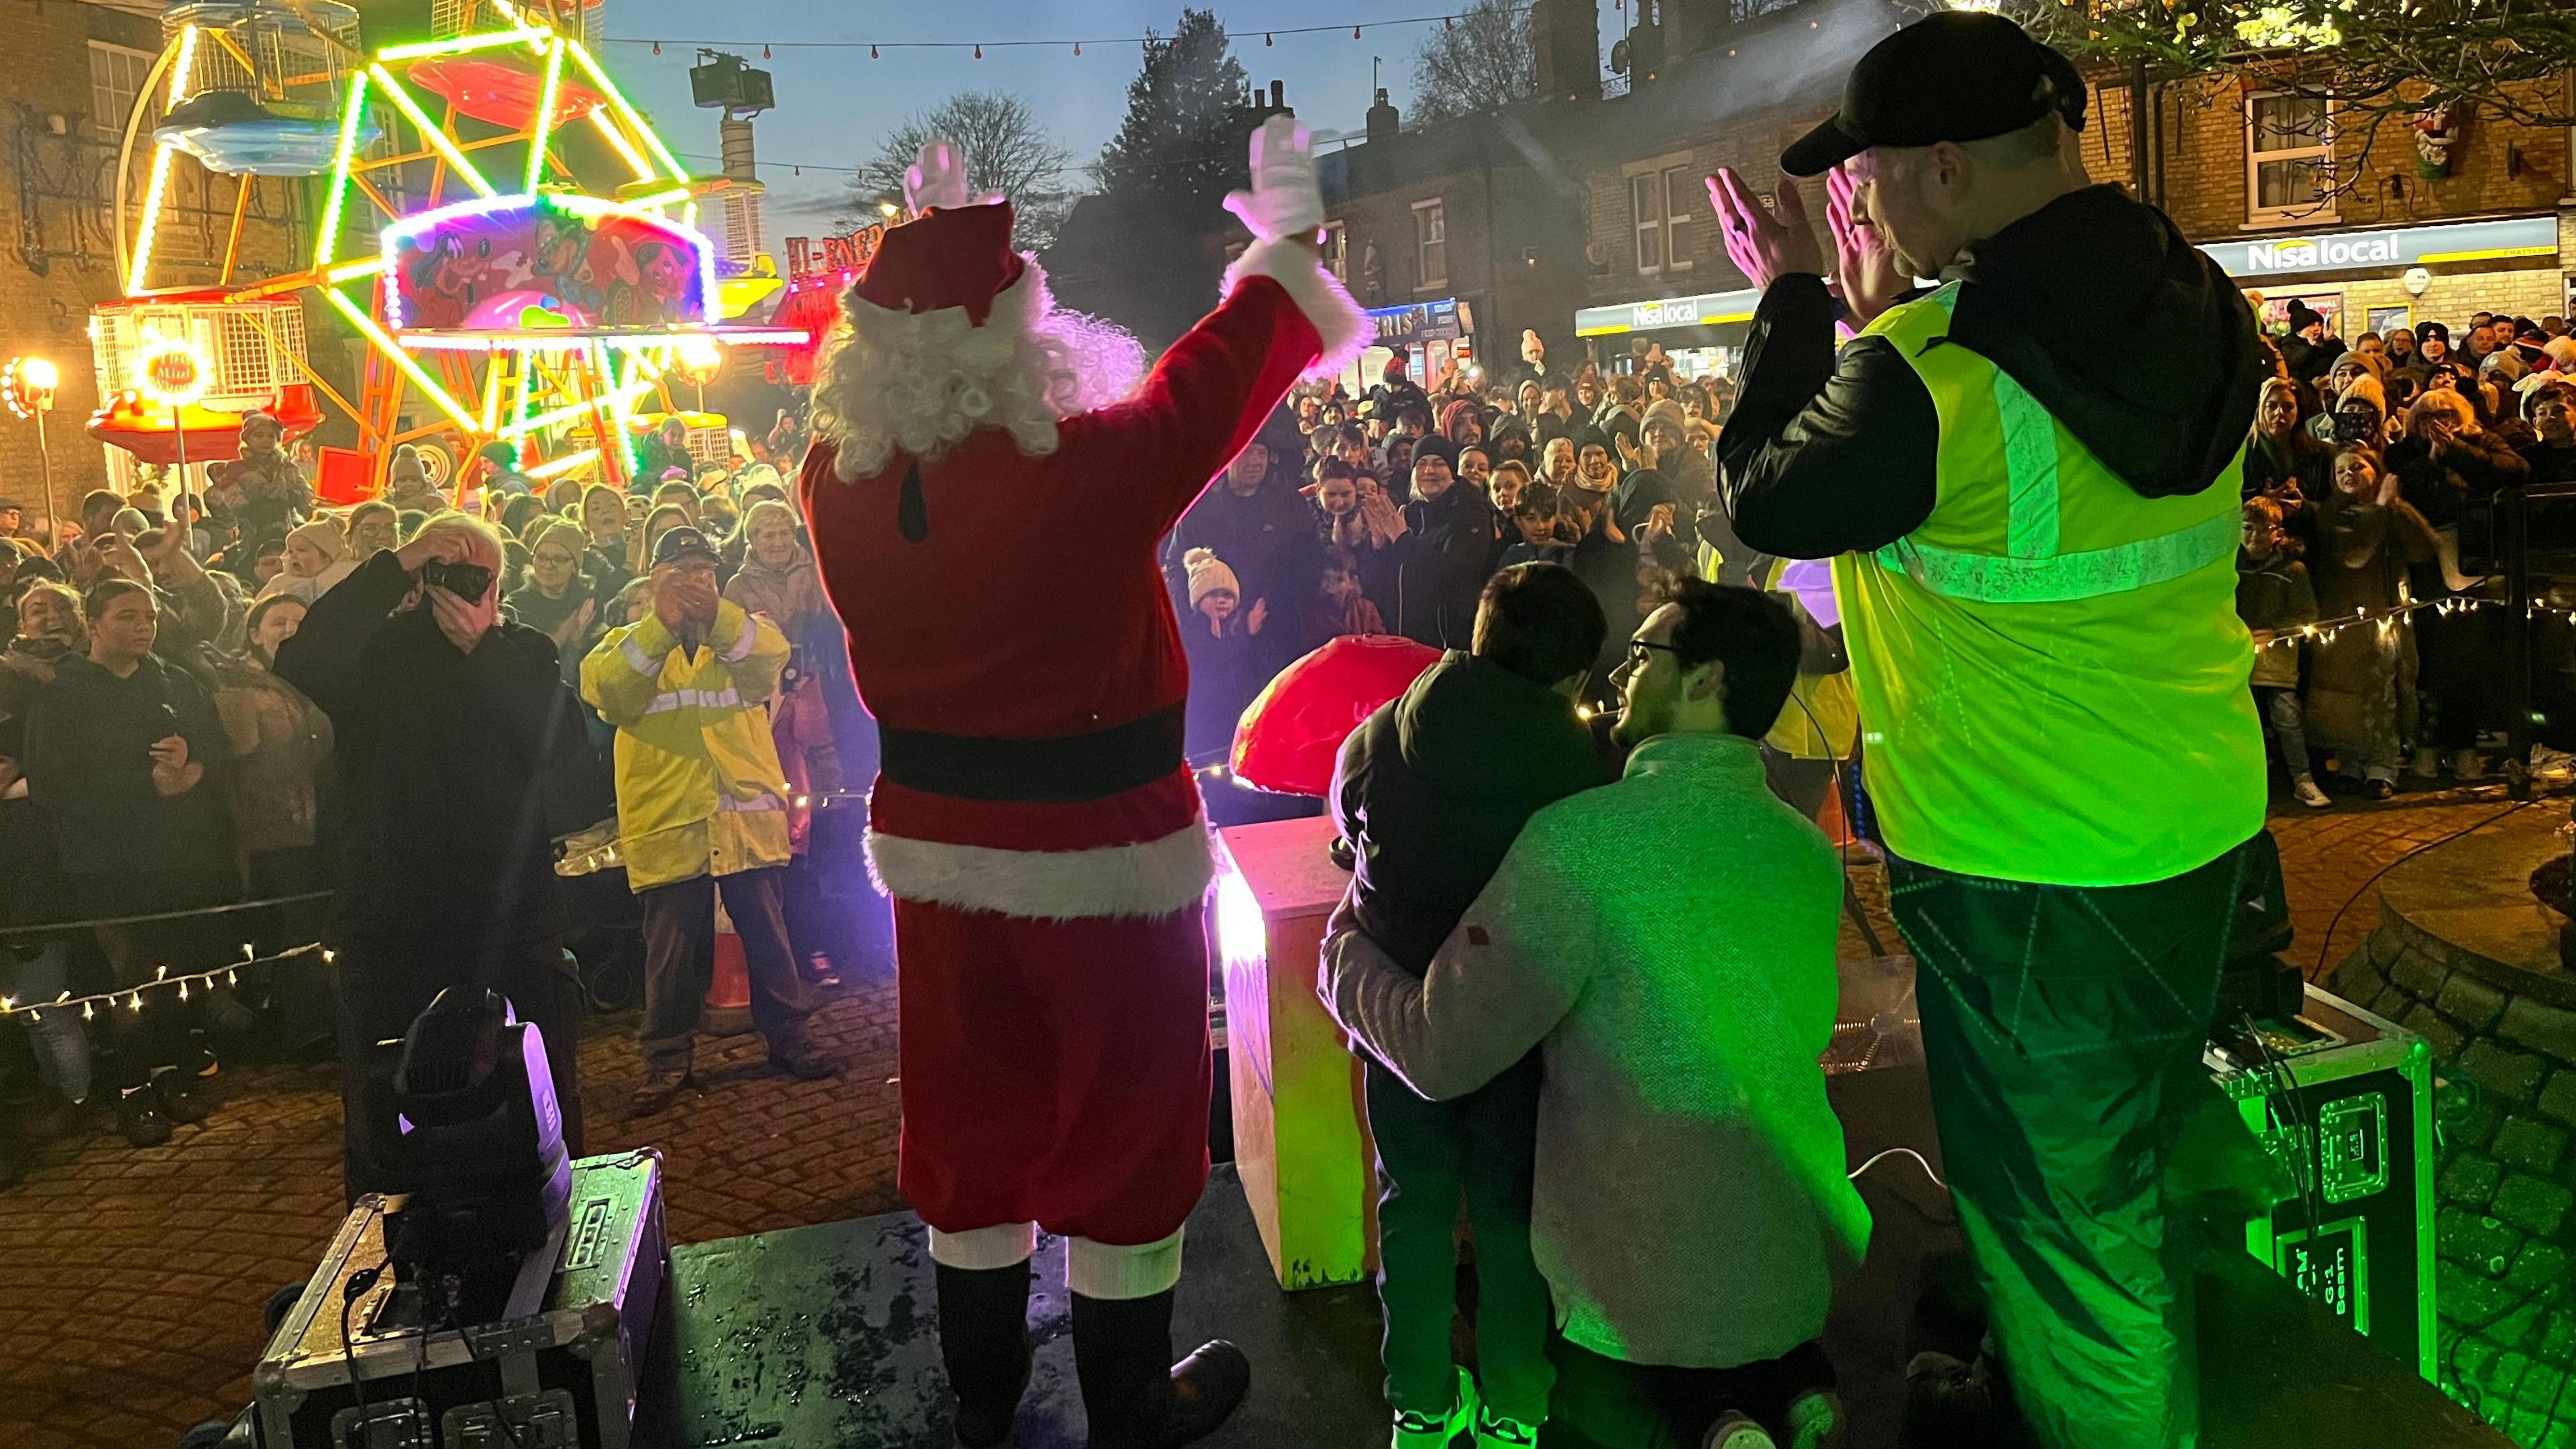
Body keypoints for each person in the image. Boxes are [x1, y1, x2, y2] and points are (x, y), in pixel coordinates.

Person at [1707, 14, 2268, 1444]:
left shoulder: (1935, 368)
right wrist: (1885, 314)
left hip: (2027, 870)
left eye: (1874, 173)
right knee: (2106, 1164)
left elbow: (1767, 499)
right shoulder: (2194, 299)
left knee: (2075, 1230)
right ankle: (2036, 1378)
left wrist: (1792, 298)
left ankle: (2099, 1413)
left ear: (1944, 168)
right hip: (2188, 824)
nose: (1864, 204)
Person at [798, 122, 1364, 1448]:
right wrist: (1281, 254)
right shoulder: (1088, 474)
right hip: (1105, 852)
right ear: (1013, 339)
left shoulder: (833, 485)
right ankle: (1127, 1410)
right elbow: (1209, 383)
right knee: (1127, 1122)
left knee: (967, 1112)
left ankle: (984, 1401)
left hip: (935, 856)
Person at [1320, 580, 1864, 1449]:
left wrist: (1342, 954)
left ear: (1701, 681)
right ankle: (1752, 1396)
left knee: (1452, 1230)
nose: (1618, 675)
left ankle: (1672, 1425)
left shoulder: (1581, 837)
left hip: (1624, 1287)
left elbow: (1438, 1046)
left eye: (1643, 655)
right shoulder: (1803, 851)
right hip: (1795, 1265)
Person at [1328, 563, 1612, 1449]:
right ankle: (1515, 1406)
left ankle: (1418, 1400)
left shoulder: (1378, 737)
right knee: (1510, 1207)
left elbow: (1350, 839)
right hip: (1520, 1027)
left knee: (1410, 1204)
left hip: (1397, 1011)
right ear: (1571, 679)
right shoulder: (1589, 769)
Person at [271, 513, 592, 1199]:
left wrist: (486, 649)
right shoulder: (377, 654)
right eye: (441, 571)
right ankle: (396, 1233)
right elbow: (302, 656)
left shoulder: (524, 652)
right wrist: (397, 561)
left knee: (536, 1086)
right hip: (394, 916)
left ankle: (553, 1224)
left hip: (509, 917)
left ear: (498, 585)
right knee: (385, 1103)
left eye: (474, 574)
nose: (457, 585)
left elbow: (564, 744)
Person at [580, 525, 832, 1114]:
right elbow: (613, 694)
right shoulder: (619, 646)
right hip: (671, 825)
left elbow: (767, 664)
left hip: (741, 823)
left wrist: (714, 615)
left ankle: (790, 1040)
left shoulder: (746, 633)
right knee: (668, 956)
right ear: (653, 579)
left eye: (705, 573)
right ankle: (666, 1062)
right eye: (682, 573)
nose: (696, 584)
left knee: (771, 941)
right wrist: (662, 625)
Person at [23, 579, 237, 1146]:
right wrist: (148, 785)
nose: (142, 626)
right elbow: (50, 784)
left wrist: (193, 769)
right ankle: (132, 1093)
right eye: (125, 617)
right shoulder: (62, 695)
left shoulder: (174, 681)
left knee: (175, 974)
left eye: (149, 616)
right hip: (107, 862)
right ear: (92, 625)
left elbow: (216, 743)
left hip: (180, 854)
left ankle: (169, 1076)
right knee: (131, 980)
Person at [2305, 447, 2435, 796]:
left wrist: (2396, 508)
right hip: (2344, 619)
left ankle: (2382, 764)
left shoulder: (2389, 509)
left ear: (2375, 472)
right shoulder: (2334, 513)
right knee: (2344, 694)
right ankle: (2351, 761)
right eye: (2340, 471)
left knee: (2383, 693)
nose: (2349, 475)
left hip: (2386, 617)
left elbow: (2424, 548)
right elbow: (2354, 554)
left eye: (2357, 467)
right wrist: (2379, 510)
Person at [2237, 496, 2327, 808]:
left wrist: (2276, 628)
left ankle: (2303, 779)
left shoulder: (2292, 570)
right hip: (2237, 661)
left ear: (2277, 533)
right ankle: (2244, 782)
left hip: (2276, 665)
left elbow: (2308, 614)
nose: (2254, 537)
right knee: (2242, 723)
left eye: (2264, 530)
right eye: (2247, 528)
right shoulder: (2230, 568)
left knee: (2286, 718)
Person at [1390, 451, 1499, 649]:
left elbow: (1459, 569)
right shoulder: (1413, 513)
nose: (1429, 470)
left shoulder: (1471, 511)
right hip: (1414, 635)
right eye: (1421, 464)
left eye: (1439, 463)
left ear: (1452, 471)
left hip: (1450, 637)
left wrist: (1403, 541)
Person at [509, 520, 602, 687]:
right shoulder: (518, 603)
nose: (548, 566)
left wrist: (577, 642)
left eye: (559, 559)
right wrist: (565, 635)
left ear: (575, 566)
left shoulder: (587, 602)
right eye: (542, 557)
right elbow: (525, 662)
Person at [724, 499, 830, 640]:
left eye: (785, 533)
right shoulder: (738, 587)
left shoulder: (818, 576)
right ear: (752, 540)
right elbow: (732, 640)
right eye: (769, 536)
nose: (779, 543)